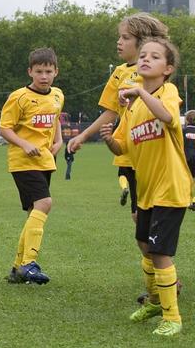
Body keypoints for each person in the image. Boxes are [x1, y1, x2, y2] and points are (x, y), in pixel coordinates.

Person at [100, 37, 188, 337]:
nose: (145, 60)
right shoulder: (132, 108)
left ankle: (172, 317)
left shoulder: (167, 92)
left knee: (160, 252)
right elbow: (122, 146)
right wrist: (111, 139)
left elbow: (166, 116)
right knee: (148, 250)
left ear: (168, 69)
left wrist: (139, 91)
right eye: (143, 56)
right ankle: (153, 302)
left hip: (172, 187)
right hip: (147, 191)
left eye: (154, 57)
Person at [67, 13, 168, 219]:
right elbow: (111, 111)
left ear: (143, 41)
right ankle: (151, 251)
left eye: (125, 37)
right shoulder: (119, 73)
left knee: (152, 212)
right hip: (129, 149)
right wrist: (83, 136)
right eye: (119, 37)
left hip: (153, 147)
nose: (119, 42)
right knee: (137, 215)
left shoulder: (155, 70)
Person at [0, 48, 63, 285]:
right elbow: (4, 128)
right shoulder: (19, 97)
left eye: (48, 71)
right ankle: (29, 263)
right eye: (39, 71)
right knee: (45, 203)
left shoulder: (57, 95)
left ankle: (18, 267)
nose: (44, 76)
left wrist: (59, 140)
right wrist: (24, 144)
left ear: (56, 71)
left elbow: (56, 117)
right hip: (23, 160)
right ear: (30, 72)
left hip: (45, 160)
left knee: (33, 213)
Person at [183, 110, 195, 210]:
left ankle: (185, 200)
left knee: (186, 180)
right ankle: (194, 201)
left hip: (185, 158)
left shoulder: (184, 131)